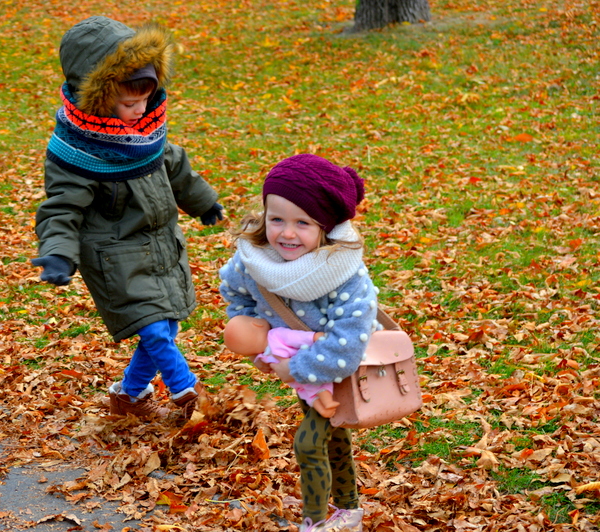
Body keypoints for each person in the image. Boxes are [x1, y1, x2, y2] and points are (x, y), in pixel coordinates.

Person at [31, 16, 224, 424]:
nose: (139, 112)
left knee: (164, 328)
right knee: (153, 329)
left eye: (144, 100)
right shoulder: (76, 152)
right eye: (128, 103)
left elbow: (175, 166)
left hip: (159, 244)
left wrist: (205, 203)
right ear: (100, 98)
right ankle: (188, 393)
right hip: (112, 253)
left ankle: (128, 396)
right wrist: (57, 254)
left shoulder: (147, 135)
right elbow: (62, 206)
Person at [219, 154, 378, 532]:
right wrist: (260, 344)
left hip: (336, 370)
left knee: (309, 444)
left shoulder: (345, 274)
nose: (287, 233)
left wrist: (297, 367)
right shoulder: (254, 261)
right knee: (334, 436)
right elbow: (236, 296)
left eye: (303, 223)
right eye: (277, 219)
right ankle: (349, 509)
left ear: (326, 227)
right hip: (296, 369)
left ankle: (316, 522)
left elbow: (347, 341)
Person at [222, 315, 340, 418]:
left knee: (309, 394)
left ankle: (322, 409)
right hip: (303, 366)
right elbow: (295, 338)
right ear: (256, 324)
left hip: (296, 383)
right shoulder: (275, 335)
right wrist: (313, 337)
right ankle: (328, 402)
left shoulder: (262, 357)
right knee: (320, 384)